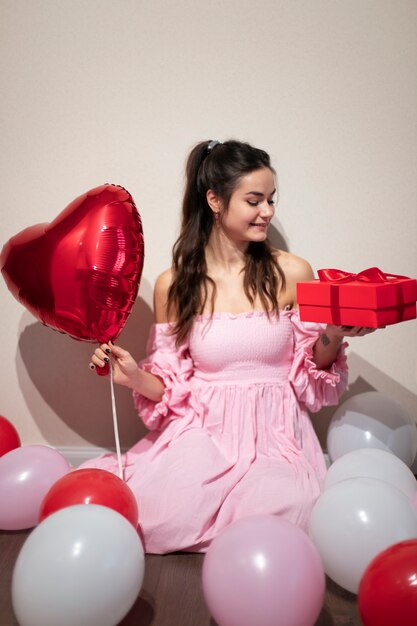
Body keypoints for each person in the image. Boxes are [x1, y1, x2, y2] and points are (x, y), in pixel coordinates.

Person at [85, 139, 375, 554]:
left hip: (275, 434)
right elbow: (170, 388)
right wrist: (133, 376)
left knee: (282, 515)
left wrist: (333, 333)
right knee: (160, 516)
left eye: (271, 200)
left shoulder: (293, 272)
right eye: (254, 200)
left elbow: (311, 374)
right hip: (203, 433)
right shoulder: (177, 283)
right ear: (215, 200)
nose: (268, 212)